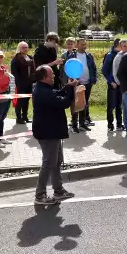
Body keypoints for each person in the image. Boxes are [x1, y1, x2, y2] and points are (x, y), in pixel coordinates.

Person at [32, 65, 78, 205]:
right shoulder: (42, 91)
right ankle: (40, 195)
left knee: (56, 162)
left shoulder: (45, 88)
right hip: (47, 132)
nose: (53, 77)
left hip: (52, 130)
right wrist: (70, 89)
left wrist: (68, 86)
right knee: (48, 163)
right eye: (51, 75)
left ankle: (58, 191)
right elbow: (62, 102)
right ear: (44, 77)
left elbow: (57, 93)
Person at [65, 38, 97, 132]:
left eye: (85, 44)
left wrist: (93, 79)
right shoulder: (72, 56)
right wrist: (73, 80)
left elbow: (93, 68)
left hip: (87, 83)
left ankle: (82, 123)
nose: (84, 46)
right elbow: (68, 68)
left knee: (84, 103)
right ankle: (74, 125)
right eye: (82, 44)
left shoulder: (89, 55)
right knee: (75, 103)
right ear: (77, 45)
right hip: (76, 84)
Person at [10, 41, 35, 124]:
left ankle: (25, 117)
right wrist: (17, 83)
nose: (25, 49)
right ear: (19, 48)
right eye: (23, 47)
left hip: (29, 83)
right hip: (20, 83)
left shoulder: (30, 57)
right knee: (20, 101)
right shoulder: (16, 59)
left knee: (26, 100)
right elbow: (14, 73)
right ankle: (19, 118)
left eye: (26, 47)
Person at [102, 39, 124, 132]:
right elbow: (104, 70)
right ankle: (110, 125)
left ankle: (119, 124)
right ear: (117, 46)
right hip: (113, 85)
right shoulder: (110, 56)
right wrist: (111, 81)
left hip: (121, 84)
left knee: (119, 105)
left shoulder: (123, 55)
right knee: (111, 105)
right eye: (122, 46)